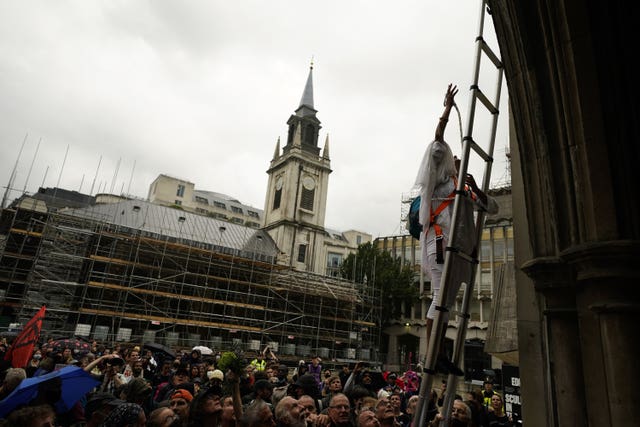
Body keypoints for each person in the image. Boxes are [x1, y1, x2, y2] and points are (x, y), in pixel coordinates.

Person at [414, 84, 499, 375]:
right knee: (439, 299)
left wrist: (474, 186)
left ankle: (437, 355)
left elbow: (492, 208)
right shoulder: (440, 180)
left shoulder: (463, 188)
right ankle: (433, 357)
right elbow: (437, 141)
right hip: (439, 243)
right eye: (455, 160)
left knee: (446, 304)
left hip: (456, 249)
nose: (459, 162)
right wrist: (447, 110)